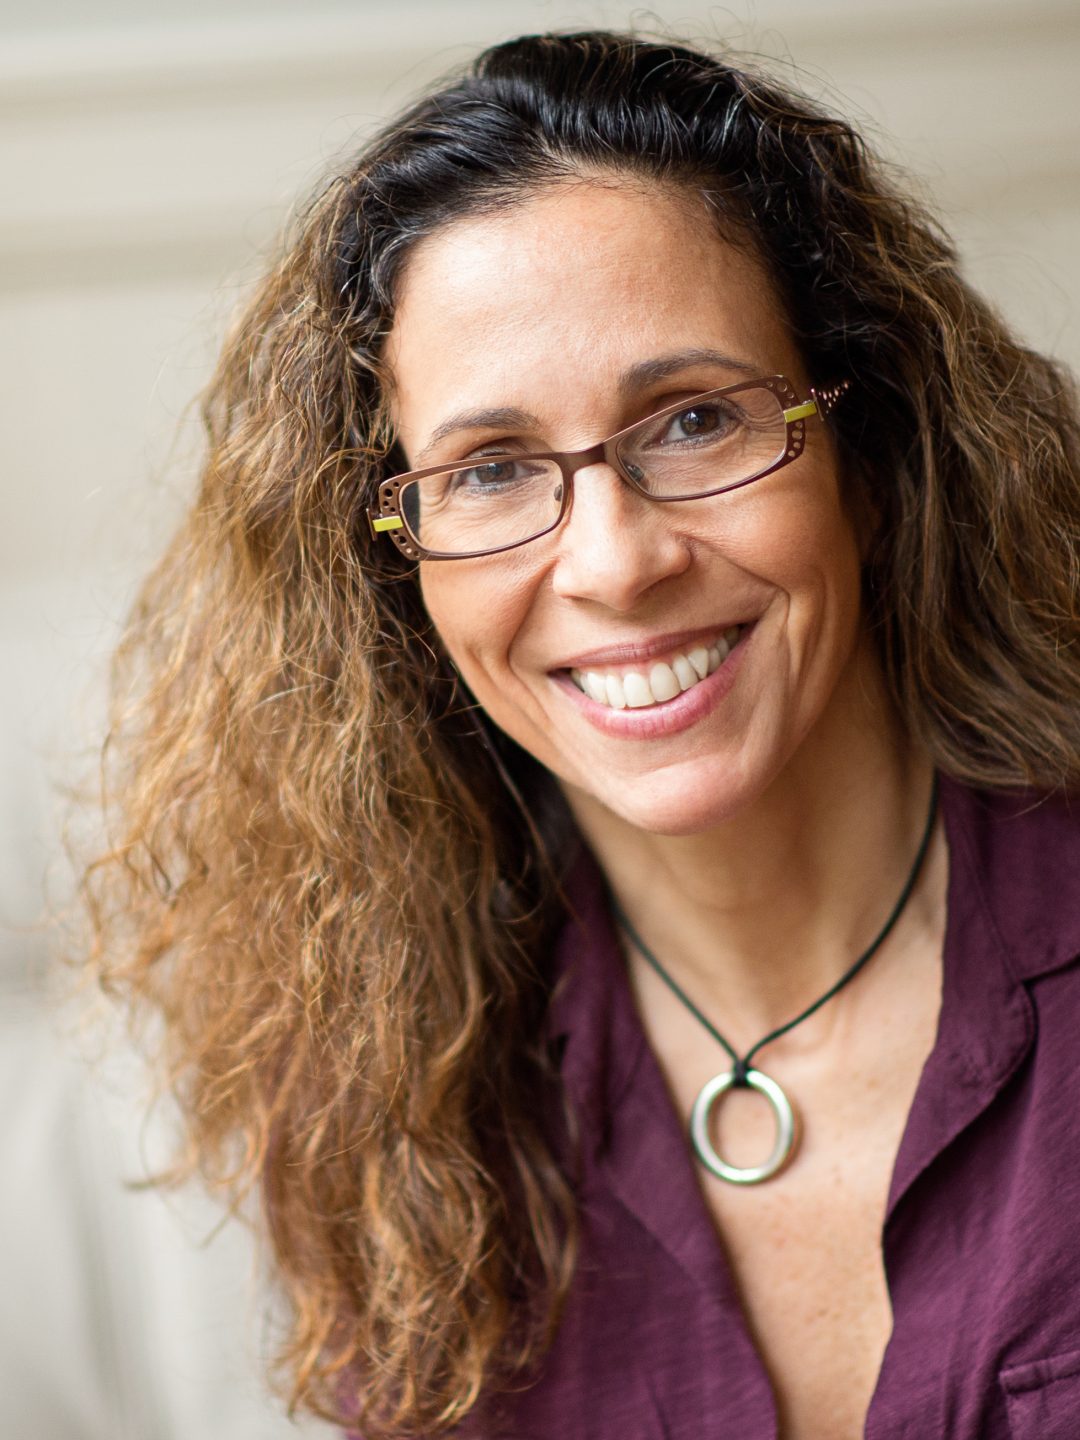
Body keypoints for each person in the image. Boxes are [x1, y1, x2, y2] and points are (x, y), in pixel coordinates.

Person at [82, 29, 1080, 1440]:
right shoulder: (394, 1100)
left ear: (872, 454)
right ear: (395, 573)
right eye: (489, 470)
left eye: (695, 420)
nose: (614, 563)